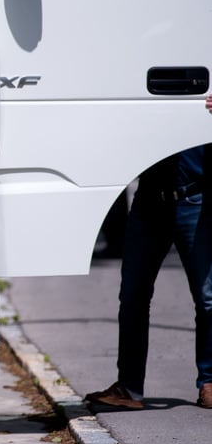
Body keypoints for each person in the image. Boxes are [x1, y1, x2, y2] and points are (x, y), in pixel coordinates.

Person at [85, 140, 212, 410]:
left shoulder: (201, 96)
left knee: (207, 297)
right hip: (149, 203)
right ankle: (129, 388)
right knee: (132, 296)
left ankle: (209, 382)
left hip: (195, 199)